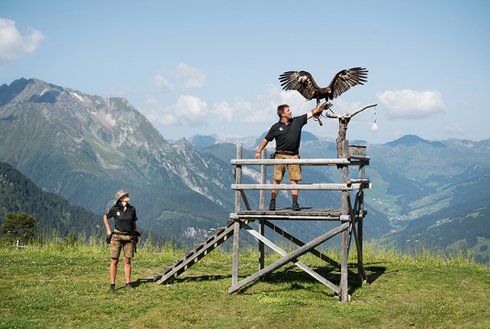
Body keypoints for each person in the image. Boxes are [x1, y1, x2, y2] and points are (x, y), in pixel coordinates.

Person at [254, 103, 328, 211]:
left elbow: (311, 112)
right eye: (288, 110)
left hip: (294, 155)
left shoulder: (297, 121)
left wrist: (322, 107)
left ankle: (295, 203)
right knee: (277, 179)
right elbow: (266, 139)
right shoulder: (275, 127)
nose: (291, 111)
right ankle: (273, 202)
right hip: (279, 156)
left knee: (294, 180)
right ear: (282, 114)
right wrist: (258, 151)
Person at [103, 190, 139, 290]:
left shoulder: (132, 209)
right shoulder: (114, 209)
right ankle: (112, 284)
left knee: (127, 260)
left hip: (129, 237)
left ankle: (128, 283)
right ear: (121, 198)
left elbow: (134, 222)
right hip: (116, 237)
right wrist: (108, 231)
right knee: (114, 260)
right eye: (126, 195)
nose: (128, 196)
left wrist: (135, 232)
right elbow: (105, 217)